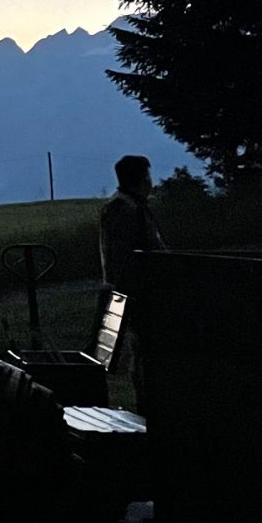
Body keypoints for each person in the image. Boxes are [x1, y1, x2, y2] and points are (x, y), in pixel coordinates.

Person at [97, 154, 166, 409]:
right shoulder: (125, 209)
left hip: (135, 290)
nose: (151, 182)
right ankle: (145, 405)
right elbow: (125, 257)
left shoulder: (127, 206)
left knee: (143, 350)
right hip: (137, 291)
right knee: (144, 350)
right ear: (141, 179)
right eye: (148, 176)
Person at [97, 154, 166, 294]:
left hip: (133, 287)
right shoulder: (122, 207)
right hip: (128, 289)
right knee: (119, 308)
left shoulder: (132, 204)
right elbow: (121, 257)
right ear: (143, 179)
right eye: (148, 176)